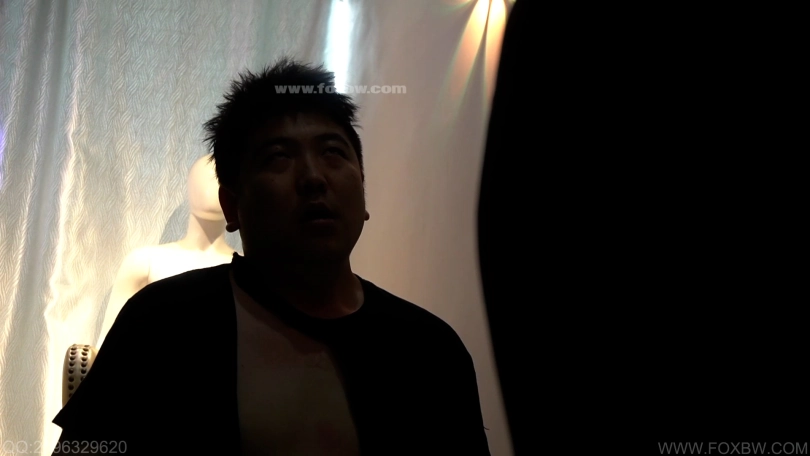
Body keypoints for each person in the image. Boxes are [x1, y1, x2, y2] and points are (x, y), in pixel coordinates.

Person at [52, 58, 490, 455]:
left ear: (363, 190)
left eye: (333, 152)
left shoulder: (430, 350)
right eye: (279, 158)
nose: (314, 177)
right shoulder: (162, 323)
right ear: (232, 206)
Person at [97, 154, 233, 347]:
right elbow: (108, 347)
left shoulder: (247, 271)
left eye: (219, 177)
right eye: (205, 176)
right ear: (188, 186)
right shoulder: (145, 261)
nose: (212, 182)